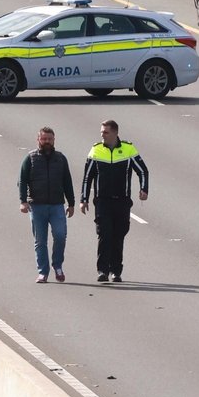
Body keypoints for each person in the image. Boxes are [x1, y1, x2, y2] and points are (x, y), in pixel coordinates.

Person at [80, 119, 148, 283]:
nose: (102, 135)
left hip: (122, 201)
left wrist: (144, 189)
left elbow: (143, 171)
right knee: (104, 234)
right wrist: (84, 199)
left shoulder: (128, 149)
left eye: (106, 132)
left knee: (118, 235)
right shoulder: (96, 150)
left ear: (115, 133)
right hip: (102, 201)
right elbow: (87, 177)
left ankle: (116, 271)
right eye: (101, 132)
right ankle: (102, 270)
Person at [19, 126, 75, 283]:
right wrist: (23, 201)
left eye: (50, 139)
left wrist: (71, 203)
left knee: (60, 236)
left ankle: (58, 266)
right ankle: (43, 272)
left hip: (57, 206)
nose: (47, 142)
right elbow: (22, 181)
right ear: (38, 140)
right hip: (37, 206)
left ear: (54, 140)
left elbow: (67, 181)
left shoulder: (61, 158)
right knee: (40, 241)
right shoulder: (30, 158)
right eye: (44, 139)